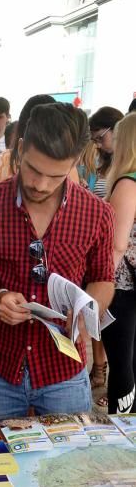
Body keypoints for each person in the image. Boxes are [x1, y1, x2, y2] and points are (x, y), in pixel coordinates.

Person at [0, 102, 115, 419]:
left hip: (64, 369)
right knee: (1, 462)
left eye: (56, 175)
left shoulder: (96, 213)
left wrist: (86, 310)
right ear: (20, 149)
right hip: (1, 365)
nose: (41, 184)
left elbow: (104, 278)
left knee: (70, 464)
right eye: (33, 169)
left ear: (75, 162)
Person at [78, 106, 124, 404]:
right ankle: (100, 369)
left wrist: (108, 270)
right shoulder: (103, 165)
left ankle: (108, 376)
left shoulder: (124, 176)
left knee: (111, 328)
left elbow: (119, 241)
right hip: (100, 256)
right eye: (93, 139)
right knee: (96, 320)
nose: (97, 143)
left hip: (115, 265)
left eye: (100, 137)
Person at [102, 113, 136, 414]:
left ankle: (123, 426)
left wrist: (98, 288)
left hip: (123, 289)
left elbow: (116, 245)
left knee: (123, 364)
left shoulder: (128, 183)